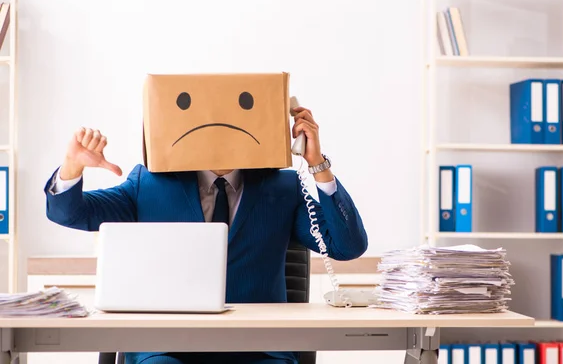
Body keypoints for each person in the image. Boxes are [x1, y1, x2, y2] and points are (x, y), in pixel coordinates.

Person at [44, 106, 368, 364]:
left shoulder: (282, 187)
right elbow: (70, 213)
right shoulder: (150, 183)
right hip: (166, 348)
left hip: (260, 349)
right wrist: (72, 167)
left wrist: (318, 165)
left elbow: (347, 245)